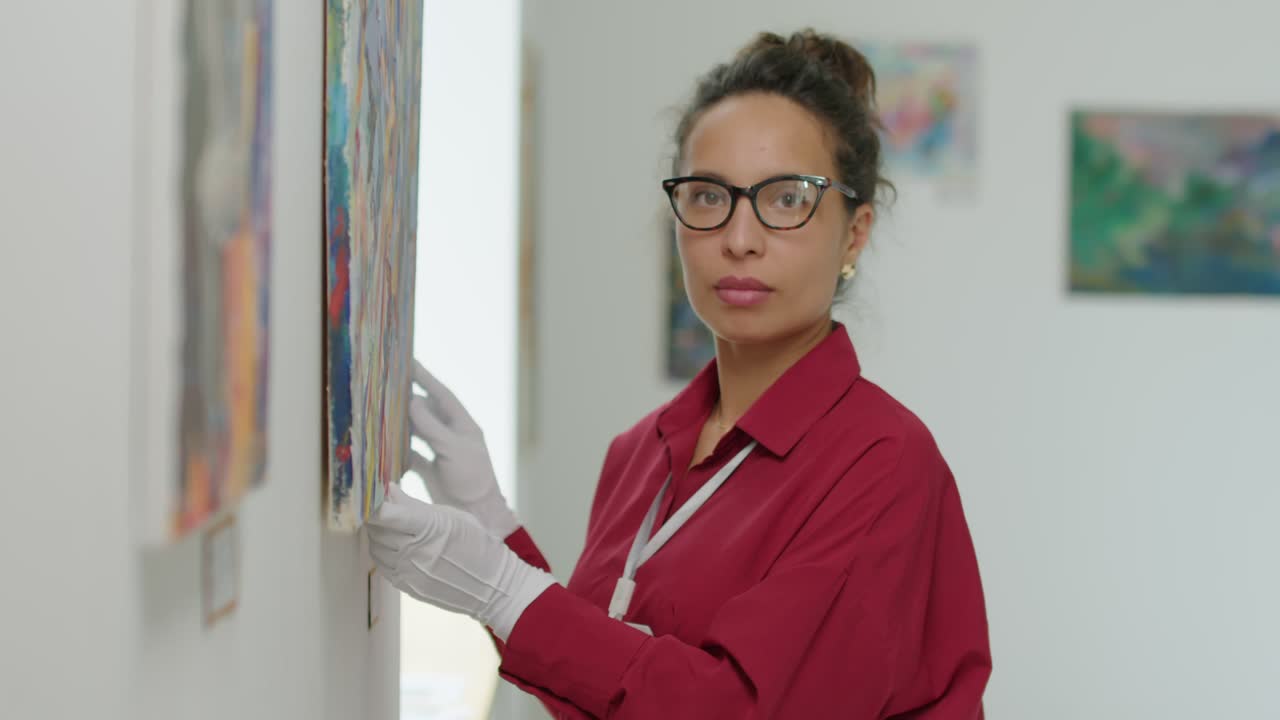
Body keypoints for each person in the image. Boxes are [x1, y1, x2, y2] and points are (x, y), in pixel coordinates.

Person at [367, 28, 992, 719]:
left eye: (787, 199)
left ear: (855, 231)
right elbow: (601, 686)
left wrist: (503, 587)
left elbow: (737, 708)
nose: (740, 237)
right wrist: (491, 524)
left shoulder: (882, 466)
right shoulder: (641, 453)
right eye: (707, 196)